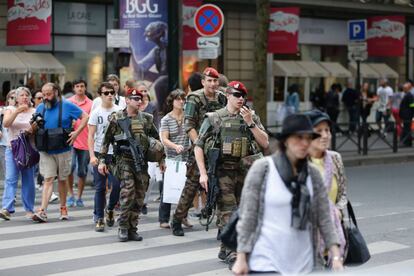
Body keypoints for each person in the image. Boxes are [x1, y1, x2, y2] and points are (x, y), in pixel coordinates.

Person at [232, 114, 343, 275]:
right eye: (299, 137)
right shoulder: (262, 169)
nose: (305, 143)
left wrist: (336, 256)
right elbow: (248, 216)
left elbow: (324, 217)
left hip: (305, 265)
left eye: (308, 138)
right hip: (266, 263)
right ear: (285, 141)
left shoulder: (312, 174)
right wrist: (241, 257)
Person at [195, 81, 269, 266]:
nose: (240, 99)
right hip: (222, 172)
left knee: (243, 211)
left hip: (245, 171)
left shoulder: (250, 117)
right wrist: (203, 173)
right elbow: (198, 146)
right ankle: (232, 251)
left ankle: (225, 247)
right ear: (227, 95)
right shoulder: (214, 118)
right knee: (228, 210)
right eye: (236, 95)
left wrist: (250, 123)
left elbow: (265, 143)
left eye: (243, 95)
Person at [98, 87, 164, 242]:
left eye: (140, 99)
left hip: (141, 162)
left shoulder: (146, 118)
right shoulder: (117, 118)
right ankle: (122, 227)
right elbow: (106, 140)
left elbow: (156, 140)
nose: (139, 101)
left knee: (140, 196)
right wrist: (102, 160)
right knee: (128, 193)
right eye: (135, 98)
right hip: (123, 161)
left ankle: (132, 228)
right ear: (127, 100)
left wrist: (162, 159)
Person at [171, 67, 227, 236]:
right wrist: (199, 145)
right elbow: (189, 125)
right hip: (199, 149)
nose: (213, 84)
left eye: (215, 81)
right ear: (203, 82)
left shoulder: (223, 97)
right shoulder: (194, 98)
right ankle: (177, 220)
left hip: (218, 149)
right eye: (209, 80)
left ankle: (222, 227)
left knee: (220, 187)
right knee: (191, 187)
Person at [32, 83, 89, 222]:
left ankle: (63, 207)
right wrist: (32, 126)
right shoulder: (40, 107)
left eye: (48, 94)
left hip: (63, 149)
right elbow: (34, 126)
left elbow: (85, 117)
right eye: (43, 94)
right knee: (48, 179)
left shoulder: (67, 105)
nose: (45, 97)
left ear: (56, 92)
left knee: (62, 179)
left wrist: (76, 133)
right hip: (46, 149)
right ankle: (43, 211)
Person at [305, 110, 348, 260]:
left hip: (334, 235)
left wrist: (338, 210)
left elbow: (343, 193)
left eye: (327, 130)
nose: (325, 135)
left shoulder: (335, 158)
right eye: (318, 131)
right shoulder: (298, 163)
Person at [88, 82, 122, 232]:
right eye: (106, 93)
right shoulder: (96, 112)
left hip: (115, 153)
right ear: (100, 95)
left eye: (112, 92)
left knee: (117, 184)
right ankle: (99, 218)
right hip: (99, 153)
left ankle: (110, 208)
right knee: (100, 187)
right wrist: (91, 156)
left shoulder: (120, 111)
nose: (110, 95)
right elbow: (90, 136)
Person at [0, 87, 36, 220]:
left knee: (28, 180)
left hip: (28, 149)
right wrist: (17, 112)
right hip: (12, 148)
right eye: (21, 95)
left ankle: (29, 209)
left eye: (27, 95)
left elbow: (37, 128)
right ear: (16, 98)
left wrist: (32, 129)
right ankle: (7, 208)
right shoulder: (10, 109)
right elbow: (6, 124)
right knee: (10, 178)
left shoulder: (34, 111)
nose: (25, 97)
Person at [158, 89, 191, 228]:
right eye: (178, 99)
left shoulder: (188, 117)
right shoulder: (166, 119)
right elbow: (164, 139)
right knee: (168, 187)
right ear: (172, 101)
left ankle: (183, 216)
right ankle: (164, 218)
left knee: (186, 189)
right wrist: (175, 146)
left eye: (183, 99)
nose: (181, 102)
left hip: (187, 157)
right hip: (171, 158)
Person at [67, 80, 93, 208]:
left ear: (85, 88)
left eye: (82, 86)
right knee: (69, 168)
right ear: (74, 88)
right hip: (70, 140)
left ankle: (79, 197)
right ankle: (70, 195)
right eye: (77, 86)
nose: (80, 88)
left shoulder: (91, 104)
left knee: (82, 171)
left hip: (85, 141)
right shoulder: (69, 102)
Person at [138, 82, 161, 215]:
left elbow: (156, 125)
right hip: (135, 145)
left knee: (151, 176)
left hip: (150, 143)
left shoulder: (152, 107)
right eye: (141, 91)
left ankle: (144, 202)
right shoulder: (132, 106)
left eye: (145, 91)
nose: (143, 93)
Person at [0, 91, 15, 182]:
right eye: (12, 98)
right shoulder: (2, 110)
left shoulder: (21, 110)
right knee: (7, 171)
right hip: (4, 144)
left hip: (18, 145)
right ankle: (11, 195)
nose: (14, 100)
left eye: (15, 98)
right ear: (8, 99)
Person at [399, 82, 414, 147]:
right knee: (406, 128)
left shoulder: (409, 95)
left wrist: (412, 114)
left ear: (408, 88)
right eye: (403, 88)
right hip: (406, 115)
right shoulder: (407, 95)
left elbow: (412, 105)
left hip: (407, 115)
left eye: (405, 88)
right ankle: (407, 142)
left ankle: (407, 143)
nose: (403, 89)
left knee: (407, 129)